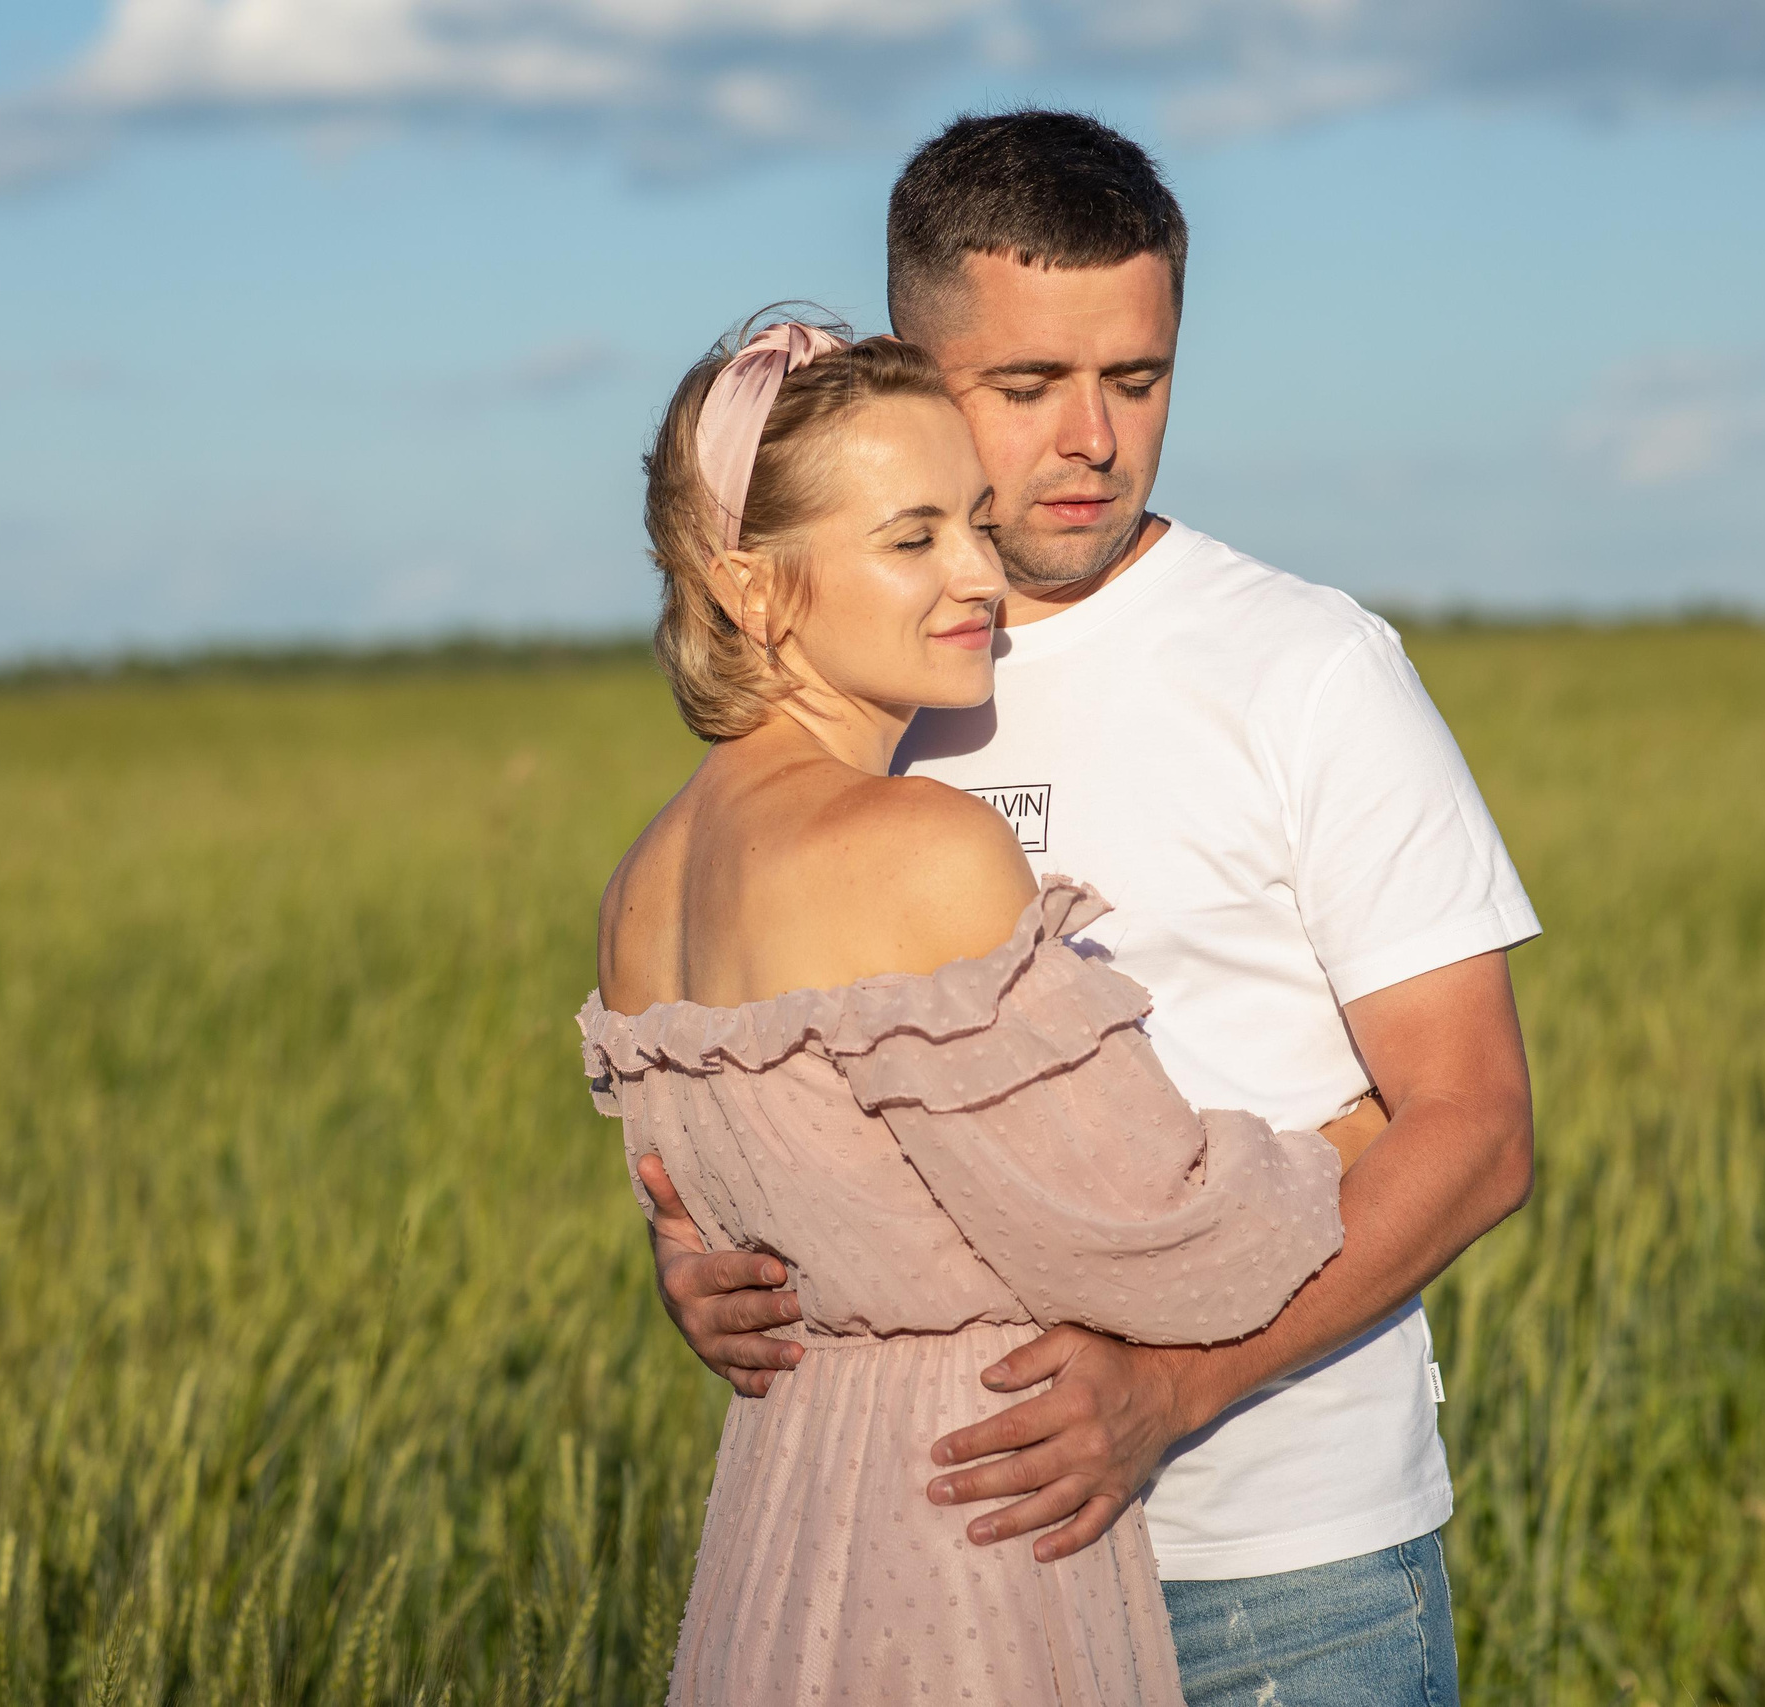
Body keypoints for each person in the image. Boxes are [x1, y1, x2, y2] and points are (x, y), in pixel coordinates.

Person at [638, 114, 1541, 1705]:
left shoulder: (1311, 668)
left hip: (1278, 1573)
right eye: (1025, 386)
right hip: (944, 1579)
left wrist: (1179, 1390)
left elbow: (1473, 1128)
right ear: (905, 374)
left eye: (1137, 379)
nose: (1092, 442)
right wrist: (717, 1265)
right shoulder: (862, 676)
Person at [582, 315, 1371, 1702]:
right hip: (974, 1523)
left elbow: (712, 1238)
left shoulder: (644, 881)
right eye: (912, 538)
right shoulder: (920, 843)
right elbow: (1146, 1232)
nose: (978, 578)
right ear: (751, 589)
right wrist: (1354, 1133)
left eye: (975, 525)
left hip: (783, 1511)